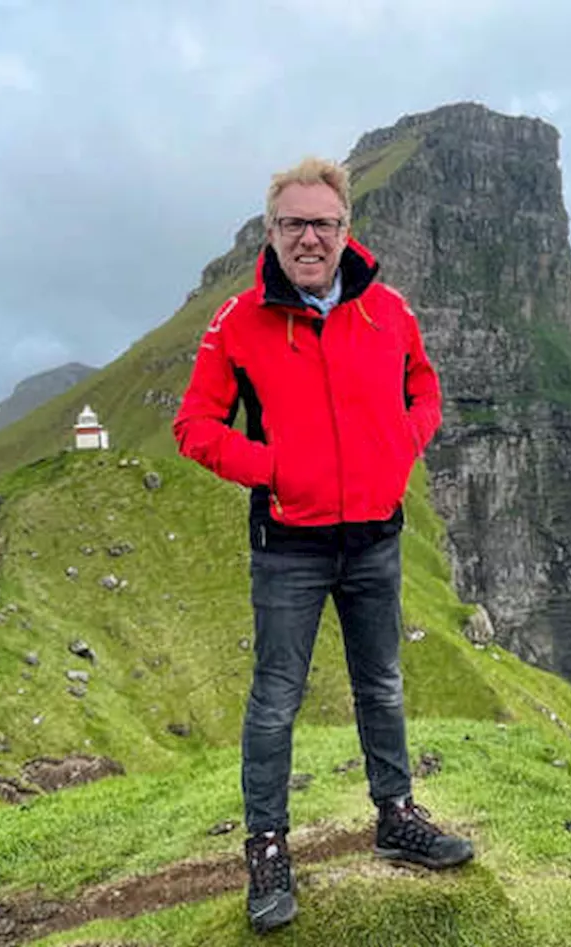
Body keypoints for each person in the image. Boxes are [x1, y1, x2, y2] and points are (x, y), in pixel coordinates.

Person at [173, 156, 474, 934]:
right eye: (294, 223)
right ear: (271, 232)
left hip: (376, 536)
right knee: (276, 702)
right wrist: (273, 469)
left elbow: (425, 384)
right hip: (290, 546)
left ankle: (397, 815)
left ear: (346, 229)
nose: (310, 236)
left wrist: (405, 443)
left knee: (383, 685)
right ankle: (268, 847)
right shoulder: (237, 322)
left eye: (324, 223)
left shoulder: (389, 309)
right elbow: (195, 427)